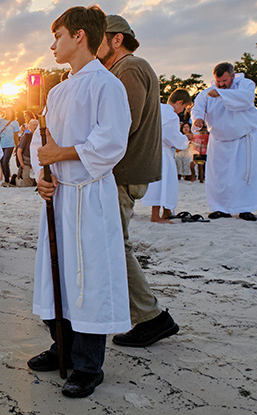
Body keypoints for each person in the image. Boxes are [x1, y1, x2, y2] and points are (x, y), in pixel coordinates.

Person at [29, 6, 132, 398]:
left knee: (89, 277)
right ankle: (63, 346)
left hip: (89, 195)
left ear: (79, 37)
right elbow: (46, 145)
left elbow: (111, 143)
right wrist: (44, 176)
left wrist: (62, 156)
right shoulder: (57, 90)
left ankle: (89, 364)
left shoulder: (107, 85)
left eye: (58, 36)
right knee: (59, 275)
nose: (52, 44)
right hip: (60, 196)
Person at [96, 14, 179, 347]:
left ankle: (152, 317)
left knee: (115, 245)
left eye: (98, 37)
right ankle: (145, 314)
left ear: (117, 39)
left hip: (124, 172)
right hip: (124, 171)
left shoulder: (130, 68)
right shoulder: (122, 69)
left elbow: (122, 125)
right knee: (113, 244)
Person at [191, 62, 257, 221]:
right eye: (218, 81)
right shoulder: (208, 92)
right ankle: (220, 208)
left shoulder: (246, 85)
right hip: (219, 140)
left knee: (244, 175)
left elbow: (246, 99)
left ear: (233, 76)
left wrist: (222, 95)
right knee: (219, 176)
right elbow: (197, 107)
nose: (221, 84)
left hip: (244, 138)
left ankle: (245, 209)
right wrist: (198, 118)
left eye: (224, 81)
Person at [142, 88, 191, 223]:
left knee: (160, 181)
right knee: (164, 181)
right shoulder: (171, 116)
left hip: (150, 150)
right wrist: (185, 140)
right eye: (184, 107)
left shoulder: (155, 108)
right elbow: (172, 137)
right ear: (179, 102)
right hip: (162, 152)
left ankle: (166, 212)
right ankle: (156, 215)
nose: (182, 111)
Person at [0, 111, 21, 185]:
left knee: (5, 161)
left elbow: (16, 135)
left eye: (9, 111)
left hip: (10, 145)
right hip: (0, 144)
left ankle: (7, 180)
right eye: (7, 111)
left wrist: (17, 146)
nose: (8, 113)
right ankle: (5, 179)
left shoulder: (15, 123)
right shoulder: (0, 120)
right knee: (1, 162)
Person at [15, 119, 39, 187]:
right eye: (34, 125)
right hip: (27, 162)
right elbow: (19, 151)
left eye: (37, 125)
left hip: (38, 162)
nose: (36, 127)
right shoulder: (26, 136)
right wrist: (22, 164)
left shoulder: (41, 137)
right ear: (29, 127)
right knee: (26, 181)